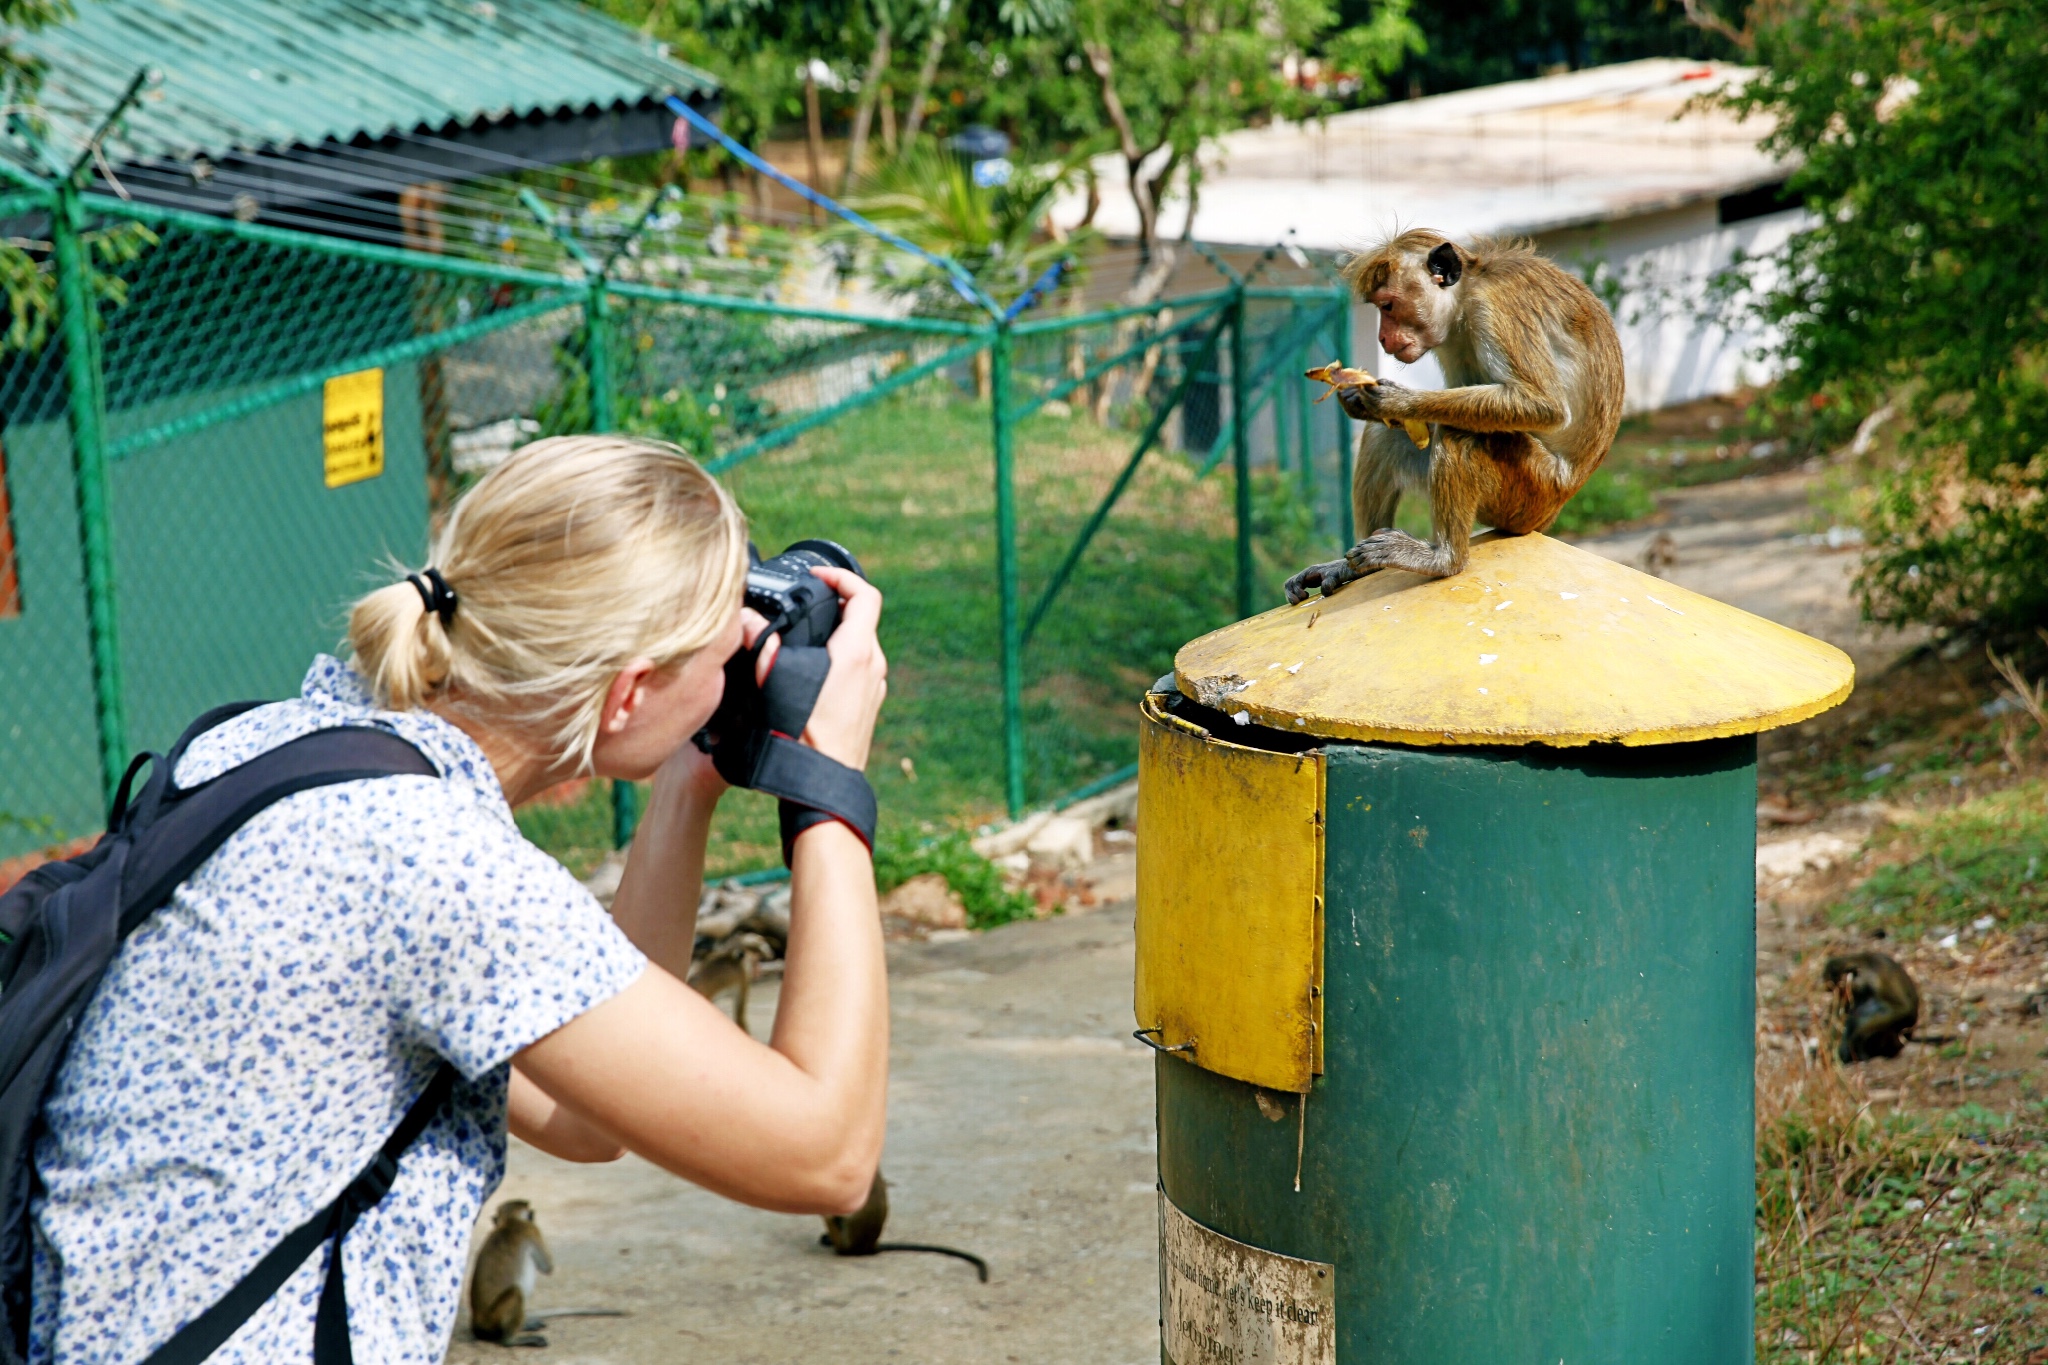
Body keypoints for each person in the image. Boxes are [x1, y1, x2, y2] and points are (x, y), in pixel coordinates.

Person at [28, 436, 890, 1364]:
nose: (734, 671)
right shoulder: (436, 864)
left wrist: (690, 781)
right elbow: (827, 1155)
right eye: (722, 657)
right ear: (632, 691)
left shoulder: (295, 748)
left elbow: (589, 1114)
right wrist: (826, 785)